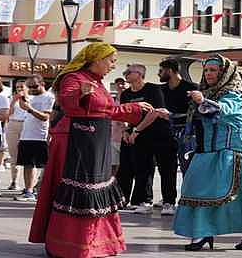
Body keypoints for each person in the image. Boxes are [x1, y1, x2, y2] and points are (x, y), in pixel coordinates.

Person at [28, 42, 153, 258]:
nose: (114, 66)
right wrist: (81, 93)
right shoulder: (73, 78)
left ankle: (97, 242)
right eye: (111, 61)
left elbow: (108, 110)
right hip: (71, 140)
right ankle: (68, 243)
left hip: (95, 142)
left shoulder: (98, 82)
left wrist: (135, 108)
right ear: (96, 59)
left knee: (95, 188)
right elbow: (68, 103)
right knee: (76, 189)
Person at [173, 54, 242, 251]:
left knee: (241, 194)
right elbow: (193, 118)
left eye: (213, 70)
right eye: (207, 70)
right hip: (207, 150)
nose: (209, 74)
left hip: (234, 150)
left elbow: (222, 110)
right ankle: (202, 232)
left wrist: (202, 100)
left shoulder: (234, 94)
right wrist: (167, 115)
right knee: (193, 188)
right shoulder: (206, 93)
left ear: (224, 72)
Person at [119, 63, 177, 216]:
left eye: (129, 72)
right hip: (139, 136)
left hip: (160, 134)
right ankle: (145, 201)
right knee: (142, 169)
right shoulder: (125, 94)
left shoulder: (153, 89)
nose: (125, 74)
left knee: (166, 169)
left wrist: (136, 130)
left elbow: (155, 112)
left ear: (139, 74)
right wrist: (127, 129)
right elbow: (125, 114)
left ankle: (169, 202)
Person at [15, 75, 54, 202]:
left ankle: (41, 190)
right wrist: (22, 98)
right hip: (26, 135)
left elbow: (45, 117)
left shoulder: (49, 97)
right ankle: (28, 190)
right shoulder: (30, 96)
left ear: (42, 84)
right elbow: (22, 109)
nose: (32, 89)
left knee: (42, 166)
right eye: (29, 86)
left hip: (40, 136)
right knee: (27, 164)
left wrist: (30, 109)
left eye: (34, 86)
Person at [159, 58, 200, 174]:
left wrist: (171, 116)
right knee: (166, 172)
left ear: (170, 71)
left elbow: (197, 113)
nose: (159, 73)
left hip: (188, 136)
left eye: (161, 70)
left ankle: (188, 192)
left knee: (188, 169)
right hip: (166, 135)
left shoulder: (192, 88)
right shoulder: (161, 89)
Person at [5, 79, 28, 191]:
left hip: (26, 126)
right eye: (17, 87)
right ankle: (14, 181)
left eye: (21, 87)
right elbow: (8, 114)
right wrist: (13, 101)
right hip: (13, 125)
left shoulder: (32, 99)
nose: (19, 89)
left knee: (26, 156)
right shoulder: (11, 98)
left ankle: (28, 186)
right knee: (14, 155)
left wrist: (25, 99)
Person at [111, 77, 126, 176]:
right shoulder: (112, 99)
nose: (120, 86)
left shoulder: (129, 98)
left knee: (123, 164)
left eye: (122, 84)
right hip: (113, 137)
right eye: (118, 84)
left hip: (124, 137)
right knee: (113, 164)